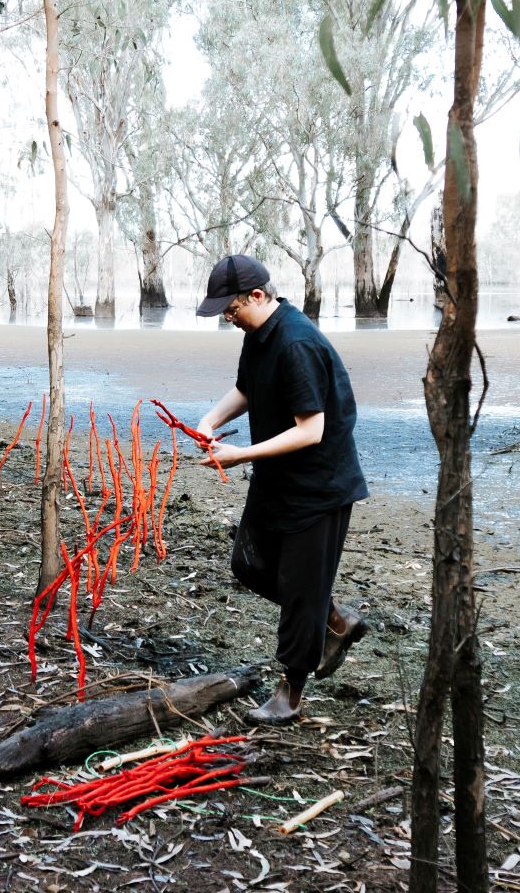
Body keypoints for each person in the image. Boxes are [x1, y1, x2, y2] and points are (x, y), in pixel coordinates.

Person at [194, 254, 369, 725]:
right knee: (248, 565)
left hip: (319, 488)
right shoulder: (259, 336)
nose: (229, 320)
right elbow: (248, 390)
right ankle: (333, 617)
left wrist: (238, 455)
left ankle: (289, 695)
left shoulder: (296, 343)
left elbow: (311, 431)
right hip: (276, 480)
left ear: (257, 296)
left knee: (298, 591)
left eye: (231, 311)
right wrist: (210, 421)